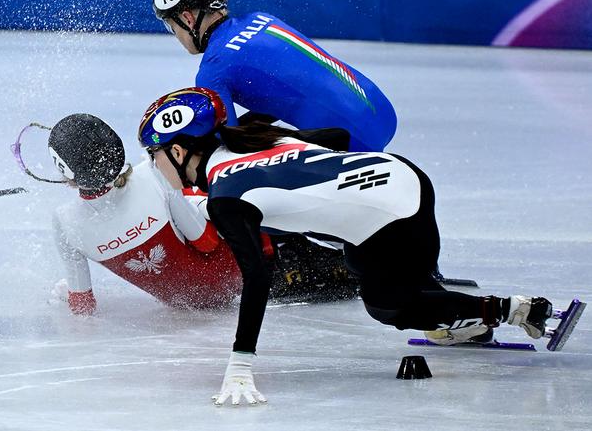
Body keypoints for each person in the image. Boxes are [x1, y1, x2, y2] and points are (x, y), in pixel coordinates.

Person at [137, 87, 556, 406]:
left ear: (178, 151)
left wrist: (240, 364)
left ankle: (511, 310)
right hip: (404, 178)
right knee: (363, 264)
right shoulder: (254, 139)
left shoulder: (225, 197)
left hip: (394, 220)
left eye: (155, 155)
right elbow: (336, 135)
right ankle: (460, 312)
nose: (154, 166)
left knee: (387, 305)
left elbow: (258, 278)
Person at [48, 113, 357, 316]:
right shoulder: (152, 174)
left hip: (190, 303)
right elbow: (206, 241)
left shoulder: (64, 222)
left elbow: (82, 305)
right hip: (247, 268)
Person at [152, 0, 397, 151]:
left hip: (353, 142)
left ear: (188, 18)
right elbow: (284, 90)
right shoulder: (261, 19)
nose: (175, 35)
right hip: (382, 112)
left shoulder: (213, 69)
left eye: (171, 26)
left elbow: (227, 149)